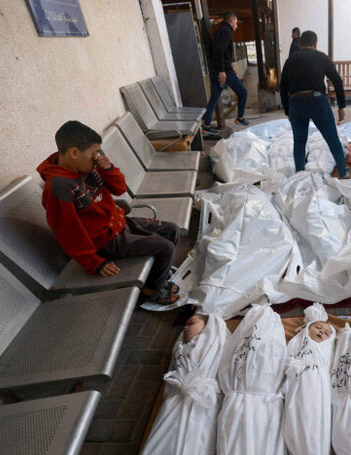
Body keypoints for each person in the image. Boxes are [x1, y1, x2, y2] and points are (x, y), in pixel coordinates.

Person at [38, 121, 180, 305]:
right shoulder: (58, 187)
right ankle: (151, 290)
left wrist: (108, 169)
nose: (97, 157)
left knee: (172, 230)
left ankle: (158, 278)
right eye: (94, 153)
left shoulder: (87, 167)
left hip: (118, 223)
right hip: (105, 241)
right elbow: (68, 232)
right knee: (165, 248)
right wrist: (94, 262)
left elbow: (119, 189)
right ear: (74, 153)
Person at [280, 31, 348, 178]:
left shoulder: (291, 59)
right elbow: (337, 81)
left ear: (300, 44)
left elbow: (283, 87)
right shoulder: (321, 57)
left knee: (299, 141)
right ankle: (343, 173)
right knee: (332, 139)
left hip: (296, 102)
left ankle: (300, 175)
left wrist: (287, 111)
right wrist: (341, 106)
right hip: (318, 102)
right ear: (315, 44)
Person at [202, 12, 249, 135]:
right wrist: (222, 71)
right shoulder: (226, 32)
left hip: (215, 69)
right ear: (232, 20)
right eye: (236, 23)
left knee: (214, 97)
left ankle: (206, 125)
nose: (236, 26)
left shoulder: (220, 30)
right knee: (243, 92)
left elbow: (222, 53)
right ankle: (240, 117)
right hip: (223, 71)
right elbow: (219, 50)